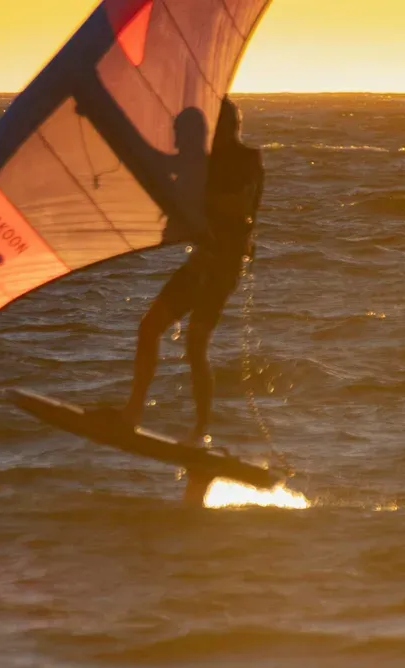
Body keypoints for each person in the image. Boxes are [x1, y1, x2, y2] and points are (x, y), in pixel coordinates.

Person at [121, 97, 264, 446]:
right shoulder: (203, 163)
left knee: (196, 343)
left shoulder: (248, 160)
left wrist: (189, 197)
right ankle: (132, 415)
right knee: (148, 328)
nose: (181, 144)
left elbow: (238, 206)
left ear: (225, 127)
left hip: (223, 267)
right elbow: (158, 161)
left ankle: (201, 431)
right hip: (200, 263)